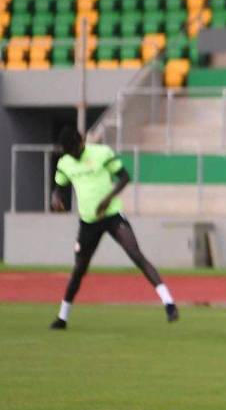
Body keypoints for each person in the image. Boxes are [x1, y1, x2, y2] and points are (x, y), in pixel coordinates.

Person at [49, 126, 178, 329]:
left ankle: (169, 303)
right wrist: (55, 199)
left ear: (82, 141)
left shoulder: (101, 153)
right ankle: (62, 317)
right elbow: (59, 188)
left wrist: (107, 200)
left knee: (136, 255)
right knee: (79, 270)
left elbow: (125, 177)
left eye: (75, 149)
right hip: (88, 222)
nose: (73, 154)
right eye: (69, 152)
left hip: (112, 216)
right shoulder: (65, 163)